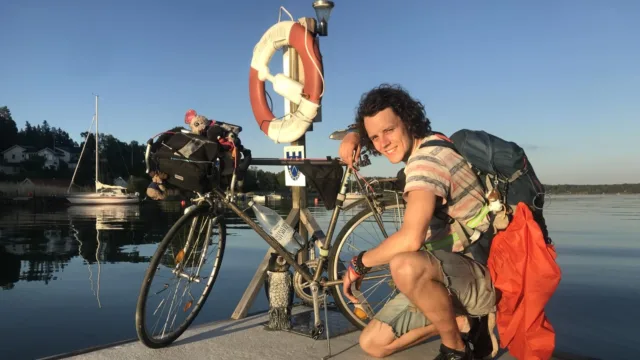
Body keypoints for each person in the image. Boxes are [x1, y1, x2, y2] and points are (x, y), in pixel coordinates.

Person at [339, 84, 497, 360]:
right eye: (374, 137)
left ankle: (456, 350)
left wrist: (359, 263)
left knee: (405, 265)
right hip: (451, 271)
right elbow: (378, 124)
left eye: (389, 131)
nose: (382, 143)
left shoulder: (426, 164)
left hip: (480, 276)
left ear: (408, 122)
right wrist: (356, 133)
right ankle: (463, 322)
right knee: (373, 344)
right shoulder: (435, 141)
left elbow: (411, 239)